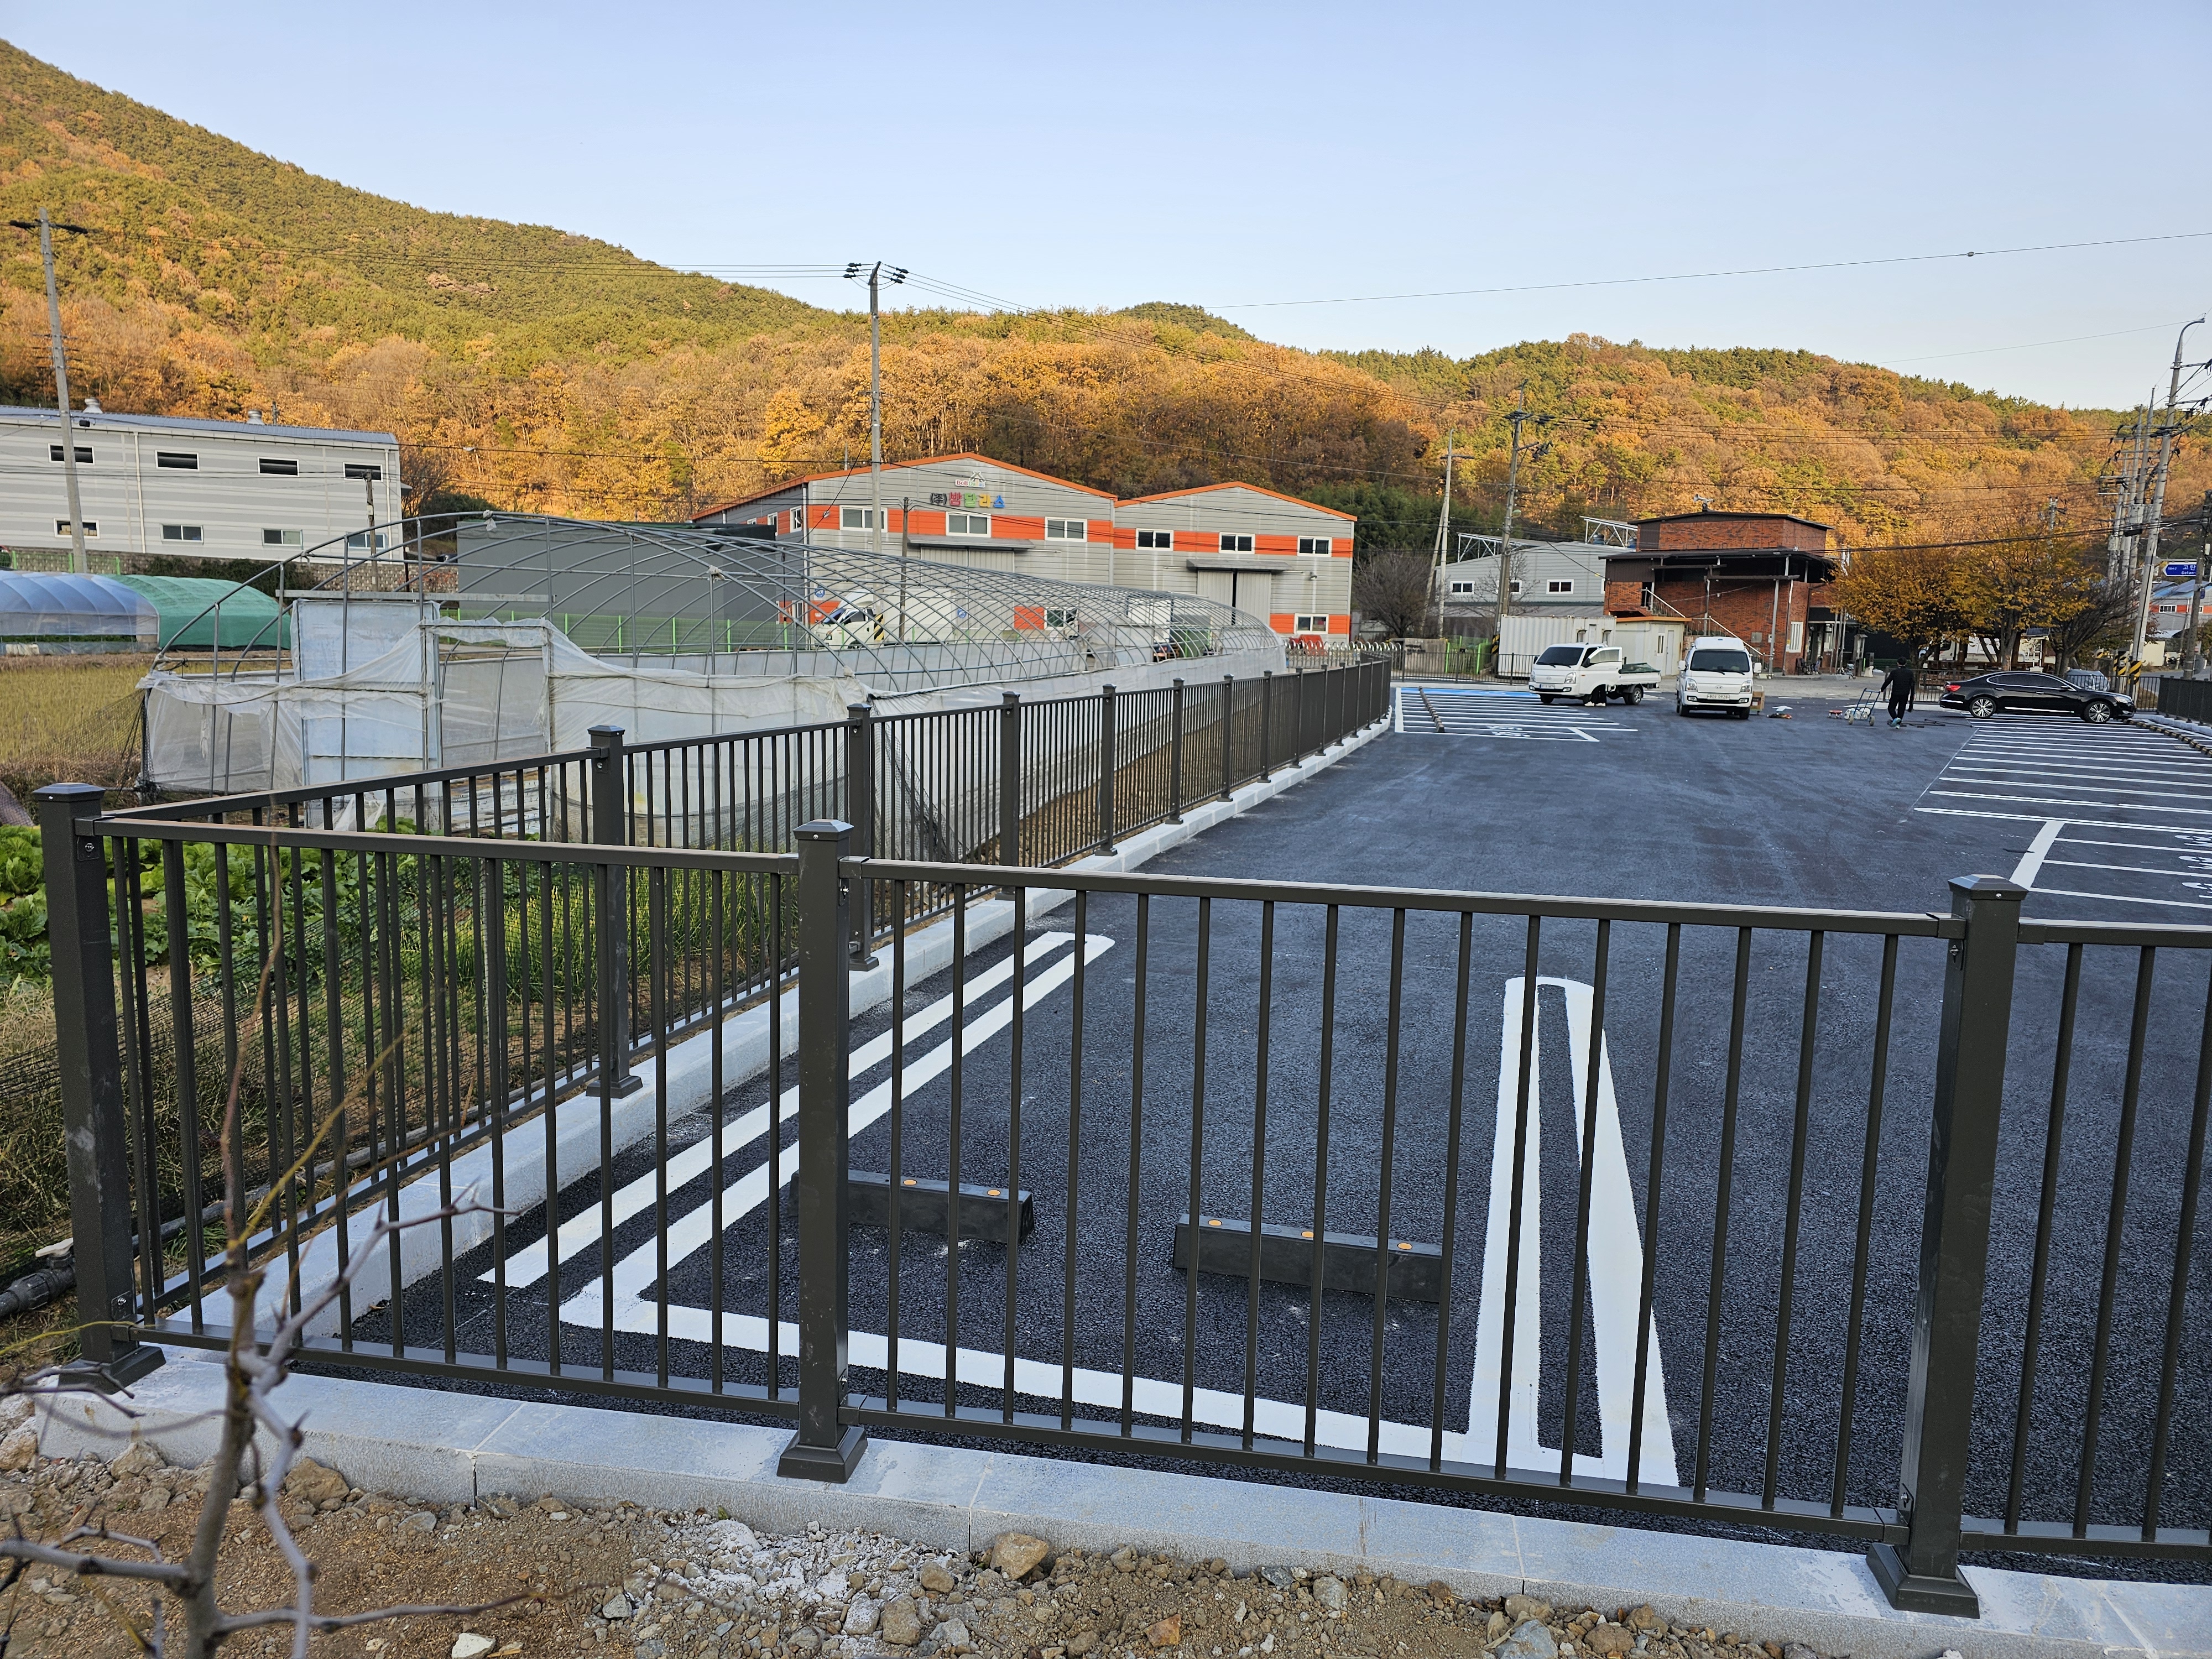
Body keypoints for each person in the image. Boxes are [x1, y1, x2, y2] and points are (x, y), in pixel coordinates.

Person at [1879, 660, 1916, 728]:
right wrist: (1913, 693)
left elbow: (1888, 681)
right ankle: (1898, 723)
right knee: (1901, 708)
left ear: (1898, 663)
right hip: (1905, 693)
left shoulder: (1894, 672)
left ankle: (1895, 719)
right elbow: (1913, 684)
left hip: (1896, 692)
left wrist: (1882, 689)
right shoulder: (1910, 672)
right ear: (1906, 663)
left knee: (1891, 708)